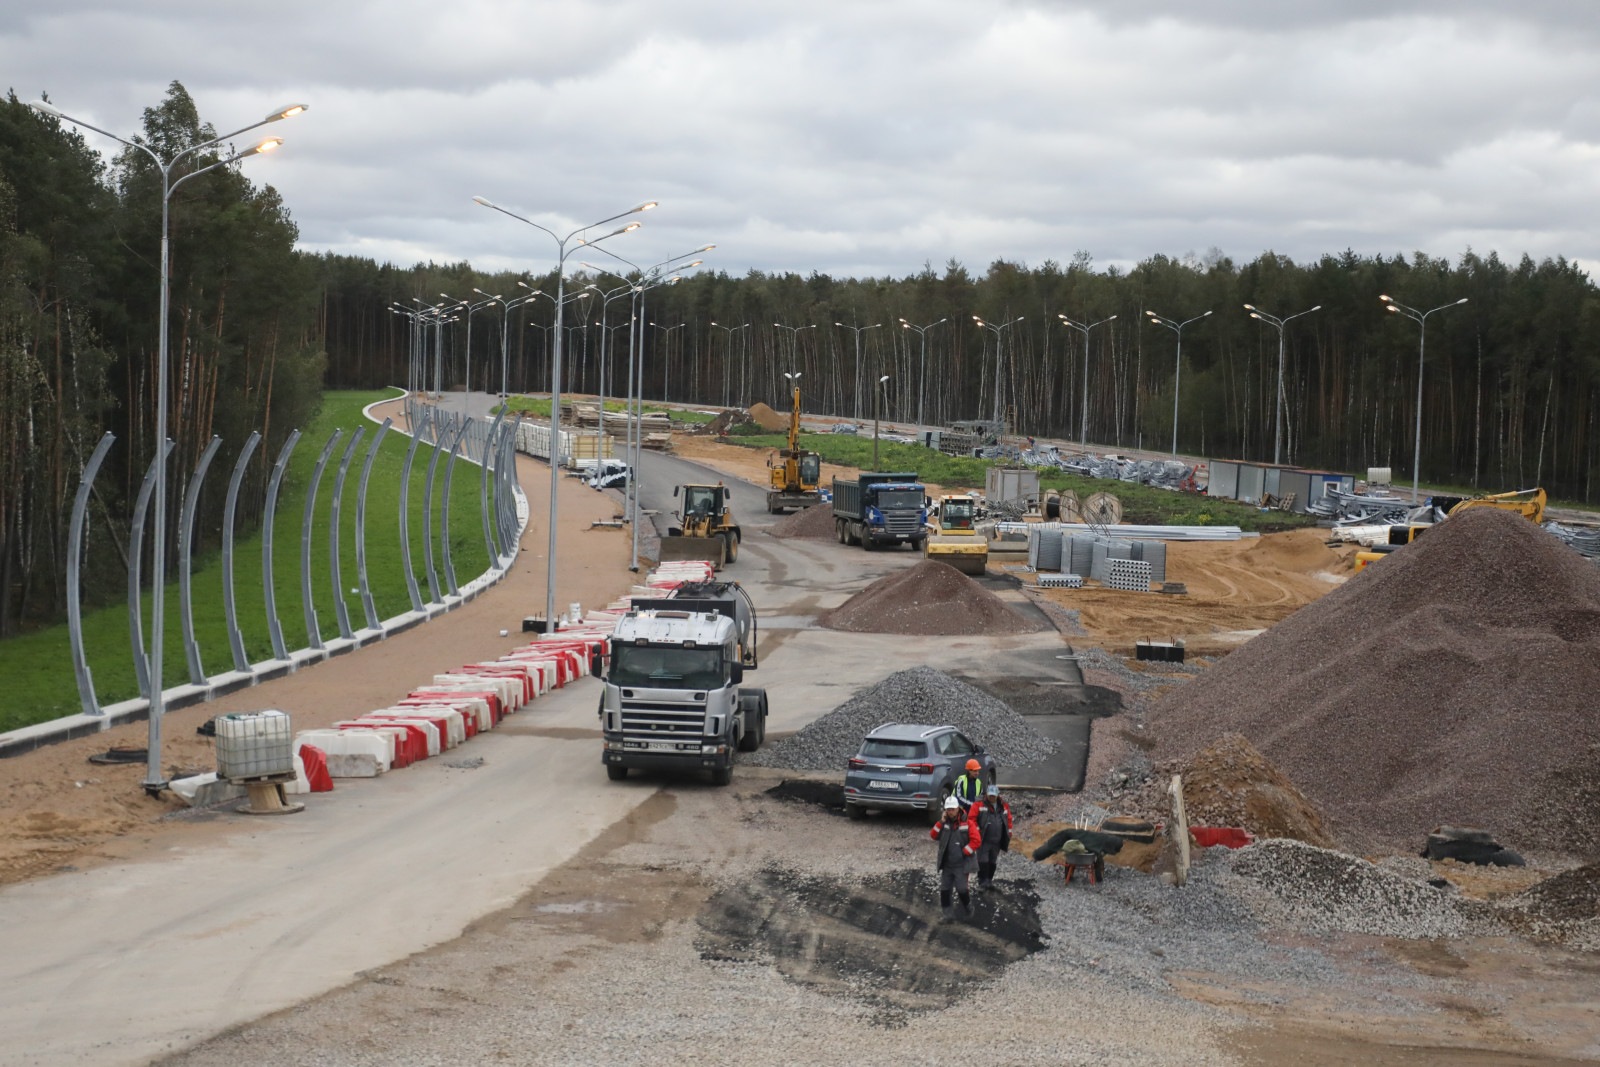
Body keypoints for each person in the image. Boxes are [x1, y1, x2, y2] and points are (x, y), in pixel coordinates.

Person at [930, 795, 981, 919]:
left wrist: (964, 852)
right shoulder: (944, 823)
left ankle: (969, 908)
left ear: (958, 808)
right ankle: (947, 915)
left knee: (962, 889)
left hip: (961, 865)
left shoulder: (967, 823)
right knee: (945, 890)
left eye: (953, 809)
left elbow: (977, 840)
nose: (951, 811)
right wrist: (941, 821)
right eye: (948, 809)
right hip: (948, 864)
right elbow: (933, 835)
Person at [973, 784, 1013, 889]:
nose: (992, 797)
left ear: (998, 795)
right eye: (990, 795)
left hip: (997, 841)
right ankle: (982, 883)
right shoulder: (979, 804)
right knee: (982, 861)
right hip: (983, 840)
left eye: (994, 795)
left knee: (992, 862)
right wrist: (976, 832)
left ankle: (989, 881)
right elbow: (971, 819)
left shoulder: (1003, 806)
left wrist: (1009, 833)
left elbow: (1008, 820)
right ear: (987, 795)